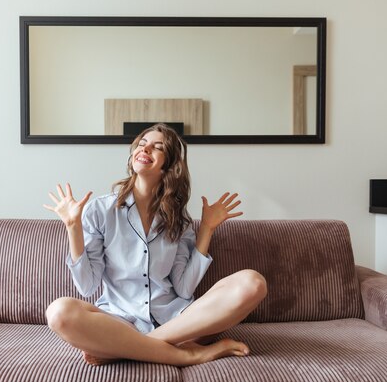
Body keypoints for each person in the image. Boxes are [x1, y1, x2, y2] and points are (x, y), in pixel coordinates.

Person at [43, 123, 267, 367]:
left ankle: (130, 348)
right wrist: (72, 227)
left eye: (157, 147)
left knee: (253, 283)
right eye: (141, 144)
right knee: (58, 312)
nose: (146, 148)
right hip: (119, 320)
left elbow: (183, 289)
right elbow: (87, 286)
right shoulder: (100, 211)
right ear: (132, 156)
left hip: (177, 322)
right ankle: (188, 354)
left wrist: (206, 230)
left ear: (168, 165)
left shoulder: (179, 221)